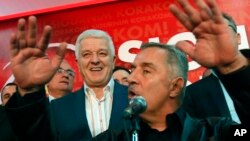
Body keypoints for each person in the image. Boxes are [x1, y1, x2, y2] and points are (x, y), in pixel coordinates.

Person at [92, 0, 250, 140]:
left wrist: (233, 65)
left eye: (146, 71)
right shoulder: (110, 138)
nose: (132, 78)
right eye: (132, 69)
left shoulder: (216, 131)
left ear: (175, 87)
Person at [5, 17, 128, 141]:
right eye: (86, 55)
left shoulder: (136, 97)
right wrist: (30, 91)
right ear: (78, 64)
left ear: (113, 61)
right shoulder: (57, 108)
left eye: (102, 53)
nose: (95, 60)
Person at [182, 13, 248, 124]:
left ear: (238, 38)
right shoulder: (192, 94)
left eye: (221, 32)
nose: (216, 39)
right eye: (208, 35)